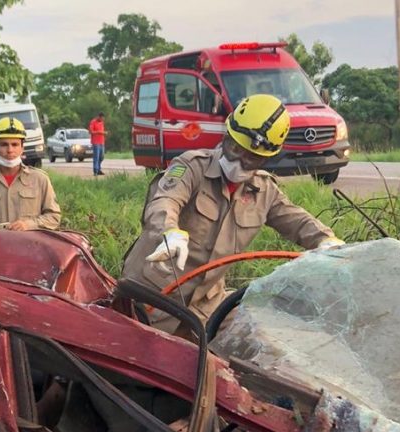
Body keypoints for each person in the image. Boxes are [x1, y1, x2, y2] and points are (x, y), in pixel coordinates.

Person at [122, 94, 343, 336]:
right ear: (226, 135)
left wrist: (326, 240)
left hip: (205, 306)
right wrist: (170, 232)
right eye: (235, 148)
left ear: (266, 159)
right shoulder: (191, 167)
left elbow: (298, 220)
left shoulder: (264, 191)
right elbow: (165, 201)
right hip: (151, 300)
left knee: (255, 344)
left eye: (251, 157)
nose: (238, 160)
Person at [0, 117, 60, 230]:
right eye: (4, 144)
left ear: (22, 148)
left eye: (15, 144)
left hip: (29, 246)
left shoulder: (40, 180)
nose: (10, 150)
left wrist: (28, 224)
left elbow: (53, 217)